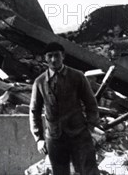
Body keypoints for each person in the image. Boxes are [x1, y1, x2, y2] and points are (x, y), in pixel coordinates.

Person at [29, 42, 100, 175]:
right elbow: (34, 112)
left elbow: (91, 104)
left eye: (57, 55)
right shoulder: (39, 82)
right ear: (45, 58)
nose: (53, 60)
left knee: (89, 171)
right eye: (50, 56)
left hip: (79, 135)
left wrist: (90, 127)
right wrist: (39, 138)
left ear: (63, 56)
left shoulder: (77, 76)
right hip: (55, 137)